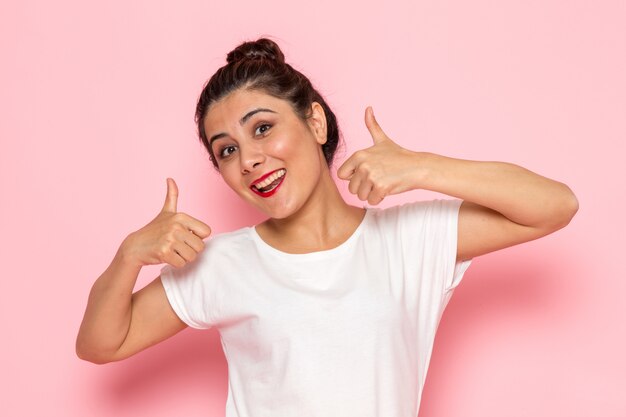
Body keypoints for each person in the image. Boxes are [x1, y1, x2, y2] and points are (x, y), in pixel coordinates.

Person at [76, 38, 579, 416]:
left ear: (315, 124)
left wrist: (422, 167)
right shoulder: (219, 263)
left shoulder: (409, 241)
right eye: (226, 150)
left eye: (263, 127)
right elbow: (100, 343)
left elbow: (554, 205)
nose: (249, 159)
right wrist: (128, 256)